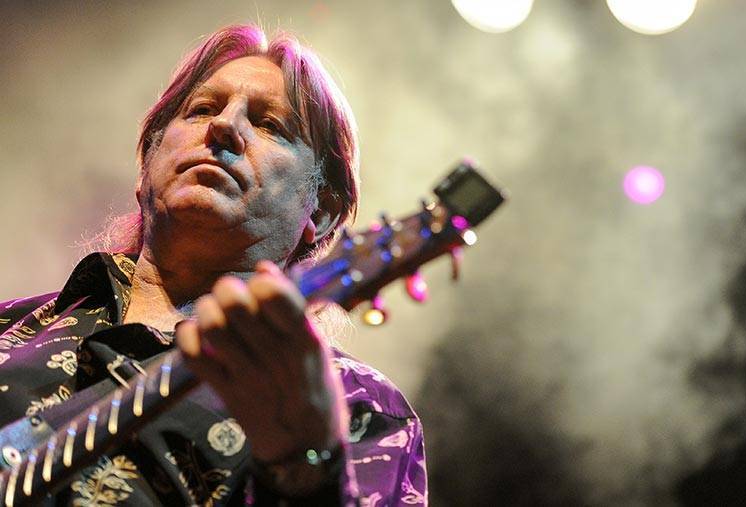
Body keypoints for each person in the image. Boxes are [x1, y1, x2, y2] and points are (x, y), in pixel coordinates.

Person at [0, 24, 427, 505]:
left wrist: (307, 467)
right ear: (146, 168)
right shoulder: (9, 325)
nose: (224, 126)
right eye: (202, 109)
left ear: (321, 212)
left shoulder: (360, 407)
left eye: (269, 125)